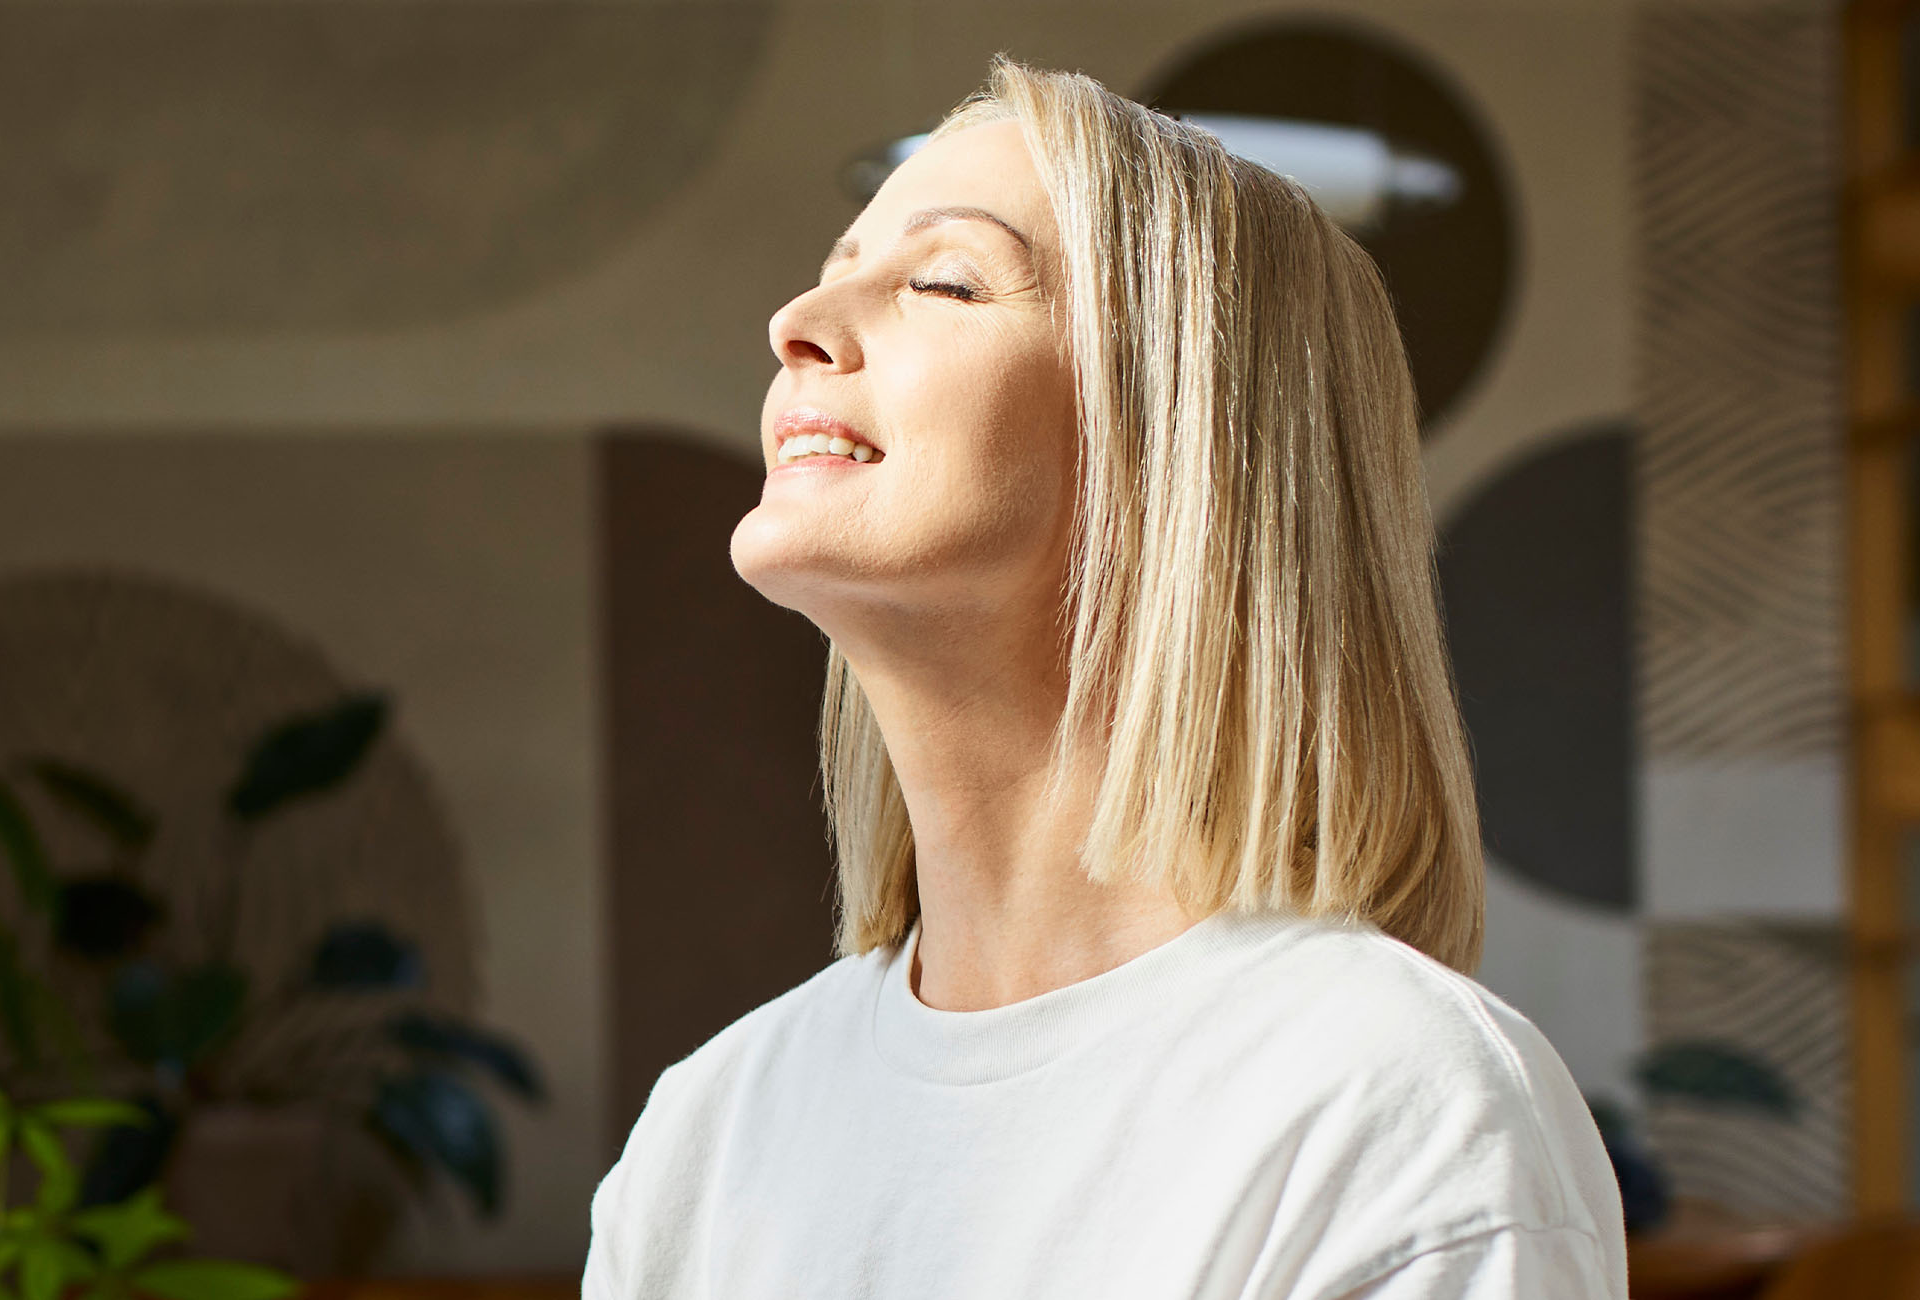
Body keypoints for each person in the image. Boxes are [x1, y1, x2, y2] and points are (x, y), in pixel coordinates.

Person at [584, 58, 1627, 1300]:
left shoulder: (1397, 1107)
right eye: (835, 263)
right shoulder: (709, 1138)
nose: (798, 320)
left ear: (1177, 442)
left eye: (943, 279)